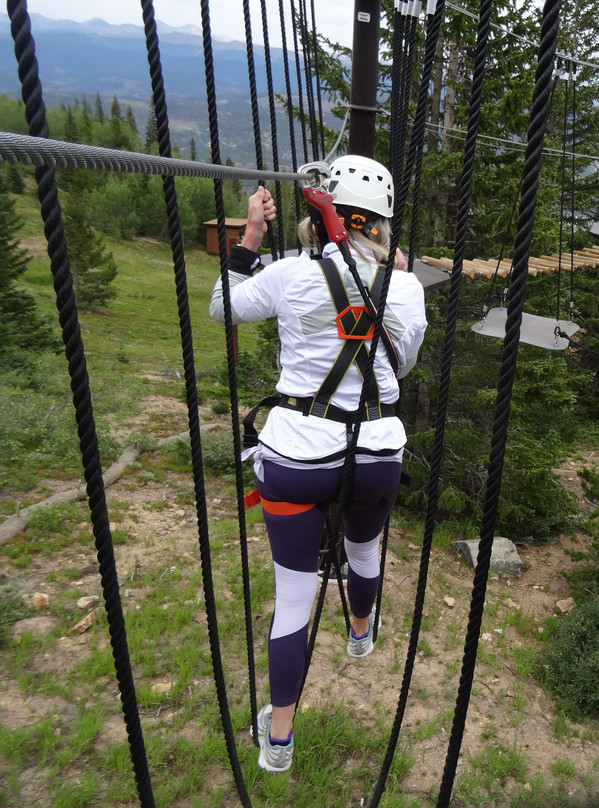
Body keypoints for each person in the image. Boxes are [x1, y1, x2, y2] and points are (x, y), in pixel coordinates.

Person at [209, 156, 427, 774]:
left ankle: (279, 740)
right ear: (382, 223)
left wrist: (251, 237)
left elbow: (223, 306)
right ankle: (359, 631)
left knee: (293, 598)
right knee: (363, 549)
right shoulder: (406, 287)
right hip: (377, 453)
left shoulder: (288, 273)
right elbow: (403, 366)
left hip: (297, 455)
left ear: (319, 210)